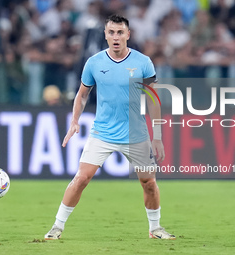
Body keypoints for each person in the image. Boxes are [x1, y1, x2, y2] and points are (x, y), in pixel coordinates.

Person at [44, 14, 176, 240]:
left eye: (120, 32)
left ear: (128, 35)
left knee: (149, 183)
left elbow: (153, 100)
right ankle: (57, 226)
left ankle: (155, 229)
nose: (116, 37)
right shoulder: (94, 63)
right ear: (105, 35)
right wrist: (74, 121)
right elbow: (82, 95)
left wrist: (157, 136)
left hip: (136, 134)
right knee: (82, 178)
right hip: (103, 132)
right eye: (111, 32)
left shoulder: (143, 62)